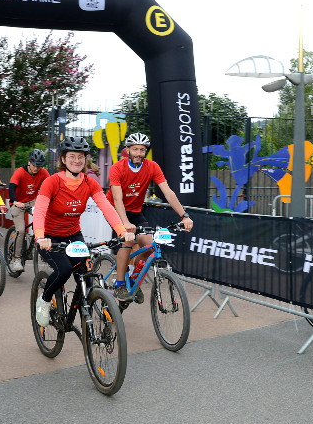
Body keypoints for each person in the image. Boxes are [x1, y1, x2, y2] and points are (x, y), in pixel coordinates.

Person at [33, 136, 134, 326]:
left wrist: (122, 231)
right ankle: (44, 300)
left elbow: (106, 207)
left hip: (73, 235)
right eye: (72, 156)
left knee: (86, 276)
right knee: (62, 270)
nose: (77, 161)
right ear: (63, 159)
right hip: (49, 236)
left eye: (81, 157)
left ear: (85, 159)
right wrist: (40, 236)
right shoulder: (52, 182)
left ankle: (85, 314)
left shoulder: (89, 183)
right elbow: (39, 209)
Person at [106, 132, 194, 302]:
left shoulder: (152, 166)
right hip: (115, 210)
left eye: (142, 149)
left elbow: (168, 192)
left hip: (135, 211)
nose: (139, 153)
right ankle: (120, 284)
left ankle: (133, 279)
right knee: (128, 240)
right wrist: (124, 223)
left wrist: (184, 215)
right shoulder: (117, 168)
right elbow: (117, 198)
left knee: (150, 246)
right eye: (135, 149)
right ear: (128, 150)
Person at [7, 149, 50, 272]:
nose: (36, 168)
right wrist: (15, 201)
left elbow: (51, 184)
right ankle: (16, 258)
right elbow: (12, 187)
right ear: (29, 162)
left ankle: (34, 247)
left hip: (32, 202)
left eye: (39, 166)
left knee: (46, 222)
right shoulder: (20, 172)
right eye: (34, 165)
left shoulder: (43, 172)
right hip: (18, 202)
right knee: (21, 230)